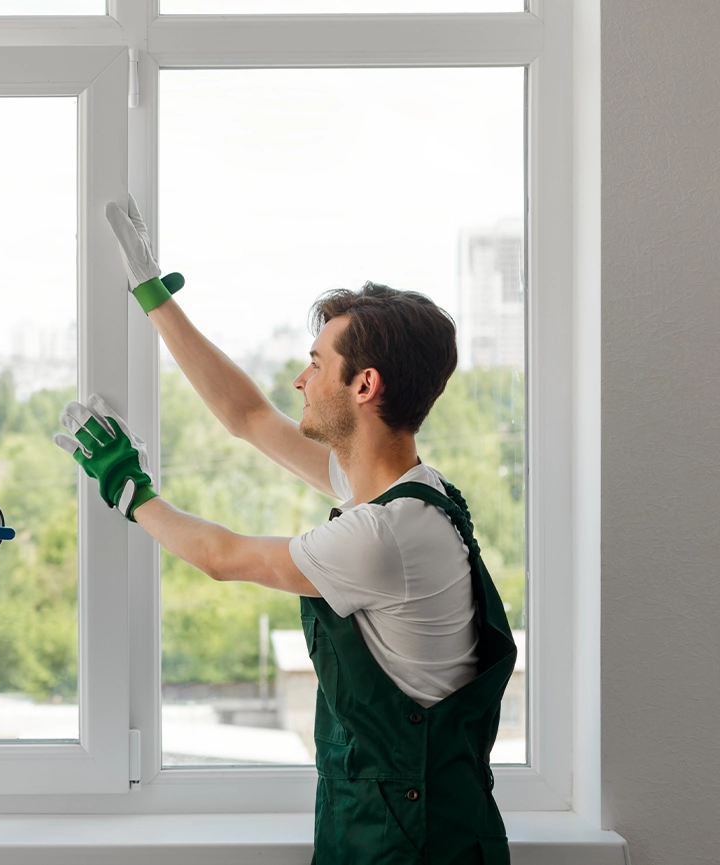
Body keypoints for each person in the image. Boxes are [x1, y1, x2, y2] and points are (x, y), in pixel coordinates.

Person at [54, 199, 517, 864]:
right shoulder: (409, 492)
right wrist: (152, 293)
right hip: (394, 831)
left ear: (364, 384)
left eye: (316, 363)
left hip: (411, 850)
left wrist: (128, 488)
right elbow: (248, 416)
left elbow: (221, 556)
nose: (300, 378)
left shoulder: (384, 536)